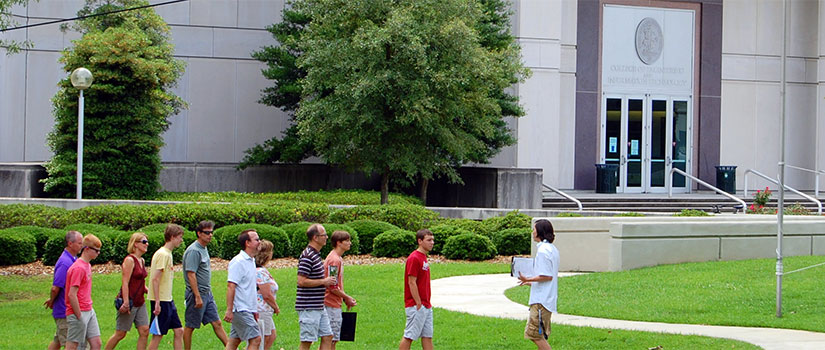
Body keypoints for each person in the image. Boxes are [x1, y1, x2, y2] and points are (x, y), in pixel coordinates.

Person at [182, 221, 228, 350]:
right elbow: (191, 274)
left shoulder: (203, 248)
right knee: (190, 326)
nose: (210, 235)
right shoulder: (194, 251)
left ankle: (231, 347)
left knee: (217, 322)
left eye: (211, 232)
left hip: (207, 293)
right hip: (197, 294)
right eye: (207, 233)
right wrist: (197, 296)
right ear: (199, 233)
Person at [517, 219, 560, 350]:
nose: (532, 232)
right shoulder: (552, 249)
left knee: (535, 335)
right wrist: (529, 282)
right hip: (546, 298)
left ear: (540, 232)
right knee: (537, 334)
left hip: (541, 301)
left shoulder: (543, 251)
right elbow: (547, 277)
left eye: (534, 229)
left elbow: (546, 276)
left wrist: (528, 278)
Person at [104, 233, 150, 350]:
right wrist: (125, 302)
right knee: (120, 333)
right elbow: (125, 282)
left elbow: (141, 281)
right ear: (136, 244)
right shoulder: (130, 260)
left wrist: (149, 291)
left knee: (144, 331)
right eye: (144, 242)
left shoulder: (142, 260)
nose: (147, 244)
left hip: (140, 301)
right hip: (130, 301)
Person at [296, 224, 337, 350]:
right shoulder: (308, 256)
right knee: (307, 341)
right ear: (315, 237)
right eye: (323, 235)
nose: (326, 237)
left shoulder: (316, 255)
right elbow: (301, 281)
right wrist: (323, 281)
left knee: (328, 336)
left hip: (318, 305)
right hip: (308, 306)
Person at [148, 224, 185, 350]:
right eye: (180, 237)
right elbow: (155, 279)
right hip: (161, 301)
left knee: (179, 330)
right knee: (158, 334)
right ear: (173, 237)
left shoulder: (168, 254)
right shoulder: (163, 254)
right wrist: (157, 302)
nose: (181, 240)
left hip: (168, 299)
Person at [225, 230, 262, 350]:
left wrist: (254, 309)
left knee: (234, 341)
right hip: (240, 309)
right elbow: (231, 286)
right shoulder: (238, 262)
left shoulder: (251, 260)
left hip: (247, 308)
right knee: (256, 339)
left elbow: (249, 288)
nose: (259, 242)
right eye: (256, 240)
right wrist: (229, 310)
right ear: (248, 243)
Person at [65, 234, 103, 350]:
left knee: (96, 343)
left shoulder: (87, 265)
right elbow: (72, 294)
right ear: (86, 249)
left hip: (89, 309)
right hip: (78, 311)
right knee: (74, 345)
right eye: (96, 251)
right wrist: (79, 316)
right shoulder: (78, 268)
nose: (98, 253)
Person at [46, 231, 83, 350]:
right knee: (71, 344)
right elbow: (55, 288)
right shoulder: (64, 263)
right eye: (79, 243)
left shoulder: (73, 258)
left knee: (57, 339)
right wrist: (52, 301)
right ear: (70, 243)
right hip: (64, 310)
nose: (81, 245)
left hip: (66, 308)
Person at [399, 229, 434, 350]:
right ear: (420, 241)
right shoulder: (414, 258)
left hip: (426, 304)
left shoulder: (423, 257)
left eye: (433, 240)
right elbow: (411, 282)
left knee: (427, 336)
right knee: (409, 336)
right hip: (416, 305)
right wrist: (418, 302)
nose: (432, 242)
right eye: (429, 240)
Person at [324, 230, 357, 349]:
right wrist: (347, 297)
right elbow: (332, 286)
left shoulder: (337, 258)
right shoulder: (334, 260)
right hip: (331, 303)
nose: (350, 243)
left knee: (330, 339)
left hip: (334, 302)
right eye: (347, 241)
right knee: (331, 339)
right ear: (339, 243)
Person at [254, 240, 280, 350]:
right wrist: (276, 307)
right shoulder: (260, 272)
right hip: (262, 309)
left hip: (266, 309)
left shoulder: (262, 270)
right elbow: (267, 294)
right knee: (261, 340)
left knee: (271, 336)